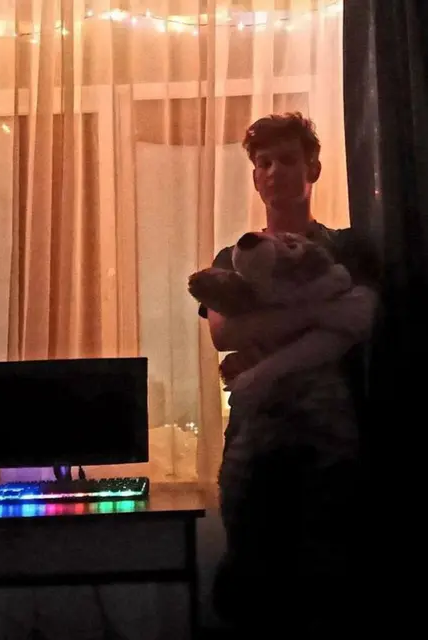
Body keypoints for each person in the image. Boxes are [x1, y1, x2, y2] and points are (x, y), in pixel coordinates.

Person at [198, 113, 380, 637]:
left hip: (331, 436)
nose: (275, 171)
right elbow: (226, 333)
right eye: (264, 163)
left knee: (330, 580)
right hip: (255, 437)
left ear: (313, 168)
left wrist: (275, 325)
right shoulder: (235, 256)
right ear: (255, 176)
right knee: (255, 580)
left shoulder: (346, 248)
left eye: (287, 160)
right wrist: (321, 313)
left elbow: (361, 320)